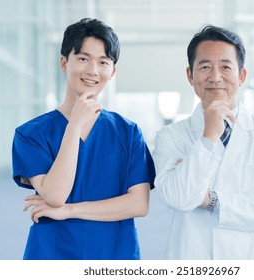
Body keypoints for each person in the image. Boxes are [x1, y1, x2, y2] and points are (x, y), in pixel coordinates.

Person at [153, 25, 254, 259]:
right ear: (190, 75)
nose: (215, 77)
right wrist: (209, 137)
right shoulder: (170, 137)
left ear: (241, 76)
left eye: (225, 66)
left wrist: (212, 200)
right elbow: (179, 198)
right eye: (204, 67)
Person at [12, 18, 155, 260]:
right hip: (52, 254)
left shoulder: (128, 132)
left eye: (103, 62)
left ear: (113, 71)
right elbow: (55, 194)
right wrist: (75, 124)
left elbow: (139, 204)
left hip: (114, 254)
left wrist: (68, 210)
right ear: (64, 62)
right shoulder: (31, 134)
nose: (92, 70)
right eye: (83, 59)